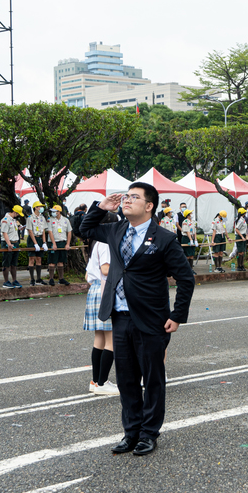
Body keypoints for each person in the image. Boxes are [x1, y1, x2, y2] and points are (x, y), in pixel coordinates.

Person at [79, 182, 195, 457]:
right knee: (127, 379)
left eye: (135, 197)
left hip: (152, 320)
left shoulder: (164, 238)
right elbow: (84, 230)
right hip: (119, 317)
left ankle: (148, 434)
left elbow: (186, 278)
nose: (127, 200)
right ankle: (131, 432)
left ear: (149, 205)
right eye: (127, 196)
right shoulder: (117, 229)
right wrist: (101, 207)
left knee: (153, 379)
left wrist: (177, 316)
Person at [84, 212, 120, 396]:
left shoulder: (96, 243)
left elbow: (87, 275)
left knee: (99, 338)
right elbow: (105, 269)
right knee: (111, 339)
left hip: (95, 290)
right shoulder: (106, 242)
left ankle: (96, 381)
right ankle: (103, 381)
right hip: (104, 290)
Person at [46, 204, 72, 286]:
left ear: (59, 212)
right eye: (52, 211)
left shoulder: (65, 220)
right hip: (53, 242)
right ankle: (51, 278)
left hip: (62, 242)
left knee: (61, 261)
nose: (53, 213)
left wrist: (68, 243)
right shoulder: (50, 220)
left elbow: (69, 231)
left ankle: (61, 278)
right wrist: (53, 243)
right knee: (52, 261)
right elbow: (50, 231)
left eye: (55, 211)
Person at [0, 205, 24, 289]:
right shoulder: (5, 220)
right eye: (18, 214)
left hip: (15, 242)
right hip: (8, 243)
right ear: (14, 212)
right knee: (7, 263)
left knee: (14, 263)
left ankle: (14, 280)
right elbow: (4, 233)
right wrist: (9, 244)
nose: (18, 216)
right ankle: (6, 281)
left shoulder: (14, 220)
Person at [25, 200, 49, 286]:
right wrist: (35, 243)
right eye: (40, 207)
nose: (41, 208)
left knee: (39, 259)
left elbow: (43, 230)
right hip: (32, 239)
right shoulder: (30, 218)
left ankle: (38, 279)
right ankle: (32, 279)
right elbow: (30, 231)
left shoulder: (42, 218)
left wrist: (44, 242)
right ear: (36, 207)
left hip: (40, 238)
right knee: (32, 259)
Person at [181, 209, 197, 274]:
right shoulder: (185, 221)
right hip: (186, 238)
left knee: (192, 254)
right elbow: (187, 231)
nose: (192, 214)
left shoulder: (192, 221)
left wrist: (195, 240)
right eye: (190, 213)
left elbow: (194, 231)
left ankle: (191, 269)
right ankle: (187, 270)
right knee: (187, 254)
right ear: (188, 215)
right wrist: (190, 239)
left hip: (192, 237)